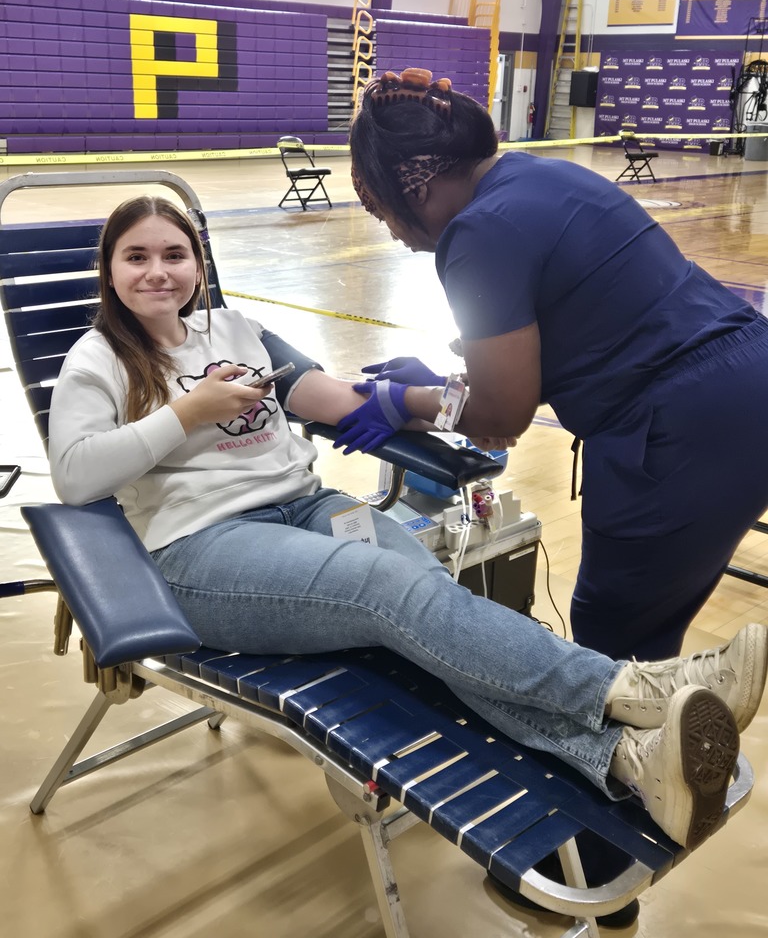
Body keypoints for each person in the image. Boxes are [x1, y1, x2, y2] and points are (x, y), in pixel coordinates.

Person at [47, 196, 766, 862]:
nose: (157, 272)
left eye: (173, 254)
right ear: (109, 271)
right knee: (388, 588)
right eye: (135, 257)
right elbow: (77, 477)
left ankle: (625, 761)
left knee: (434, 610)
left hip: (304, 507)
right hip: (201, 550)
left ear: (198, 264)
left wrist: (452, 405)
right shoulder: (97, 360)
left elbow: (331, 396)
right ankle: (632, 687)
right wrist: (187, 413)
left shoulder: (234, 329)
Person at [344, 67, 768, 924]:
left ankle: (602, 878)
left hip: (676, 425)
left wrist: (407, 401)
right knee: (650, 626)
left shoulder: (474, 234)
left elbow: (500, 417)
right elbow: (562, 337)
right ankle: (686, 715)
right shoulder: (540, 175)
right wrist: (452, 378)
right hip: (745, 385)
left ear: (412, 181)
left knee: (608, 659)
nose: (391, 233)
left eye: (383, 209)